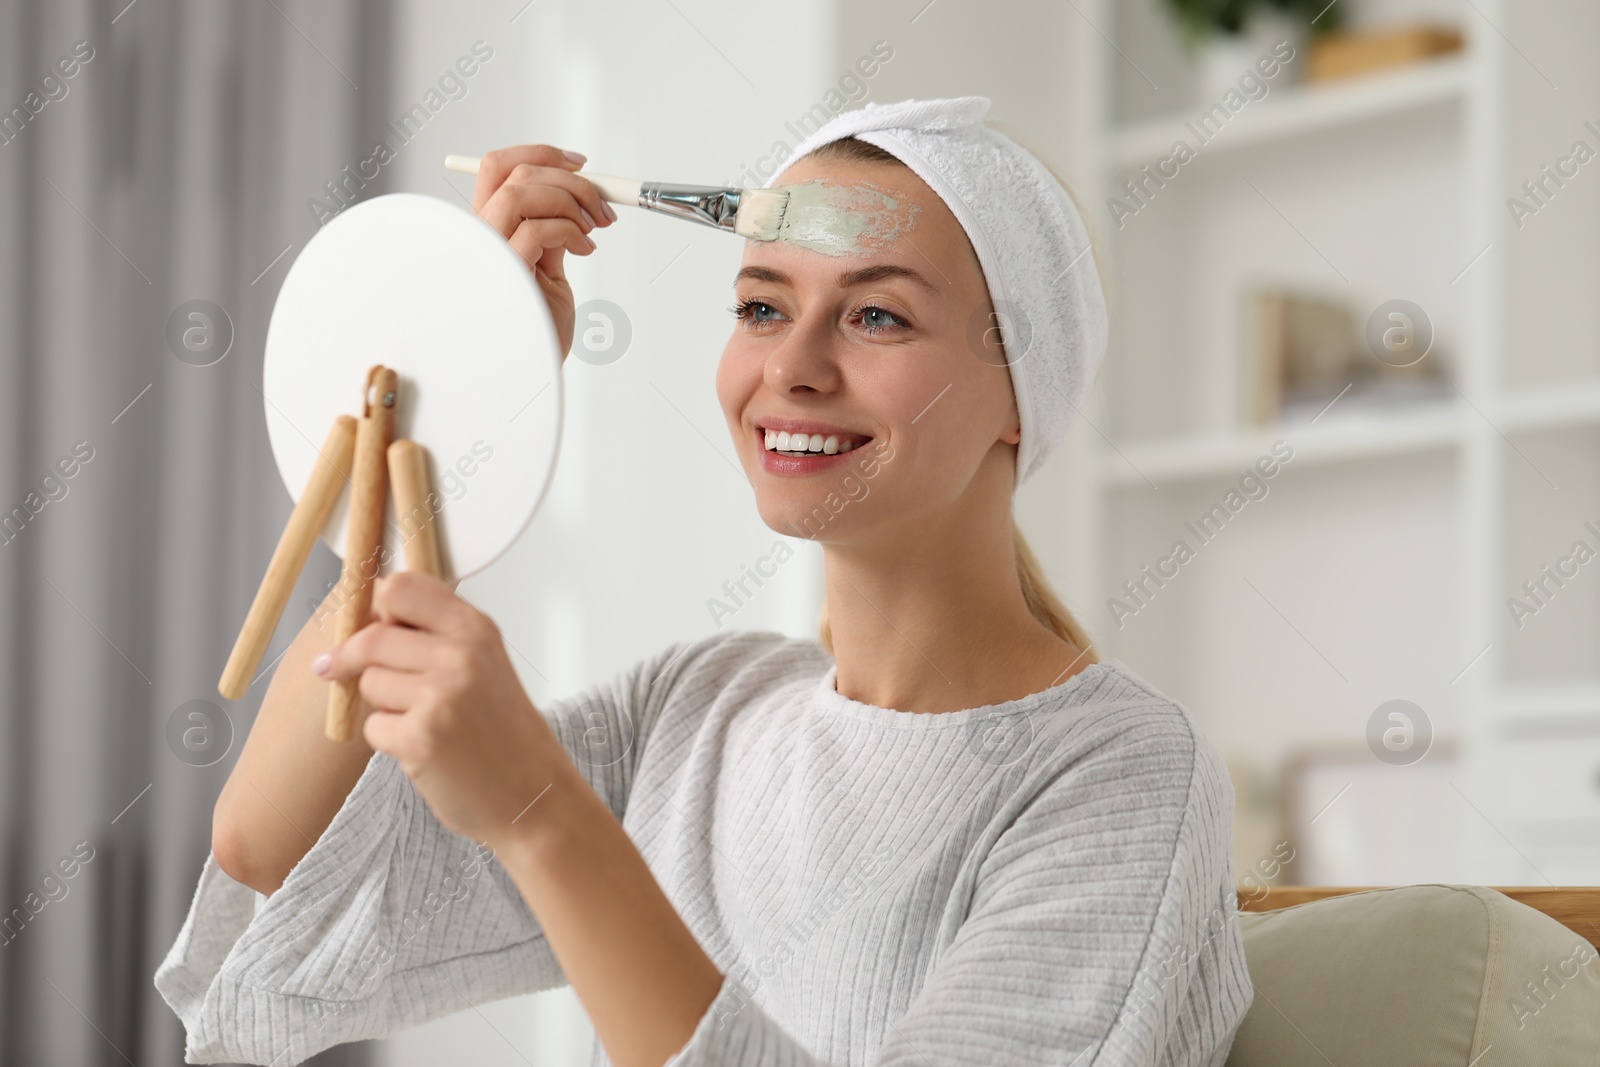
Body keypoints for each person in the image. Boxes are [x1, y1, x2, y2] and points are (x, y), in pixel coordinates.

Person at [156, 96, 1252, 1067]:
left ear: (1024, 391)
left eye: (877, 314)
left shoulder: (1123, 774)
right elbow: (277, 854)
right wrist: (459, 406)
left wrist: (542, 813)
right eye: (763, 306)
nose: (792, 366)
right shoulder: (701, 708)